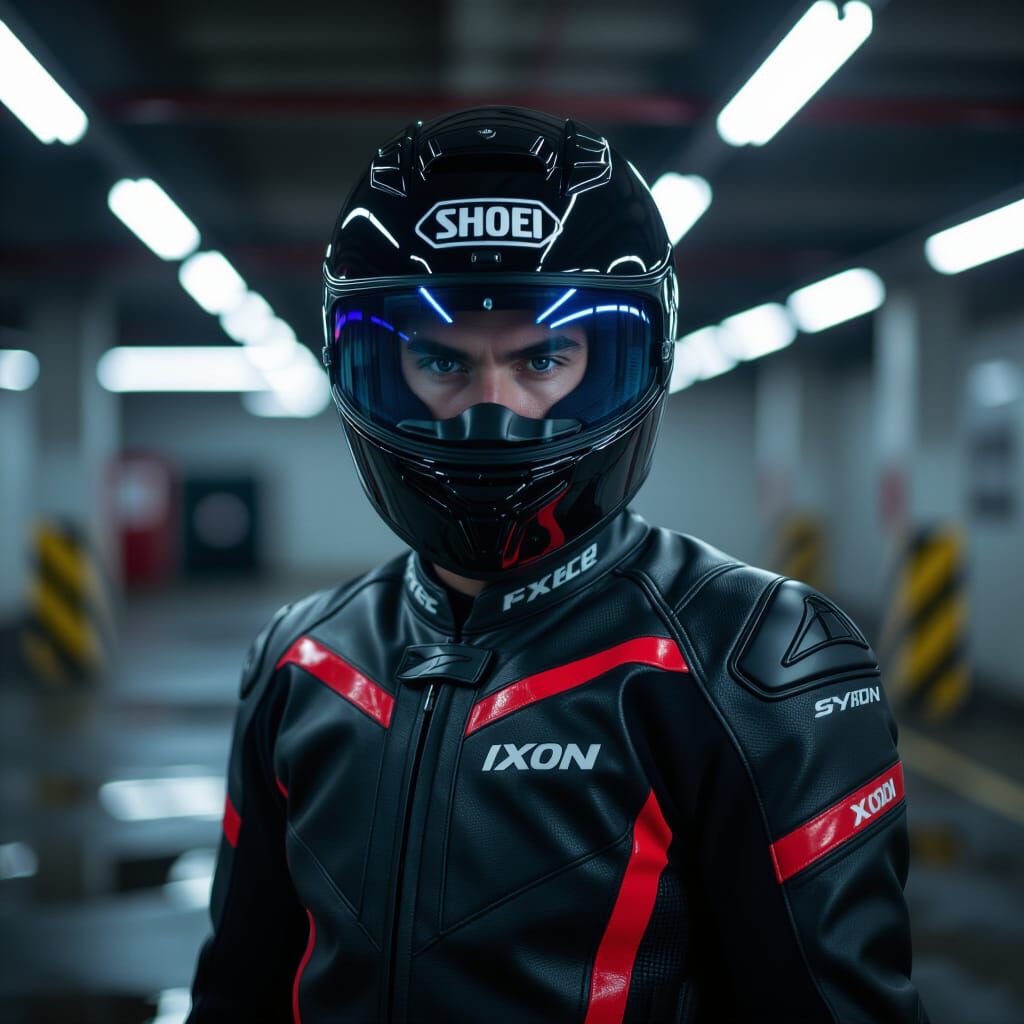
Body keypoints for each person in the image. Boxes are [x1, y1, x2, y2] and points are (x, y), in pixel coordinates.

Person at [187, 107, 929, 1023]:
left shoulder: (755, 662)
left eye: (542, 358)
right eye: (439, 362)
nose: (492, 413)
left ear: (624, 359)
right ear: (372, 365)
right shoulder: (302, 659)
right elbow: (238, 989)